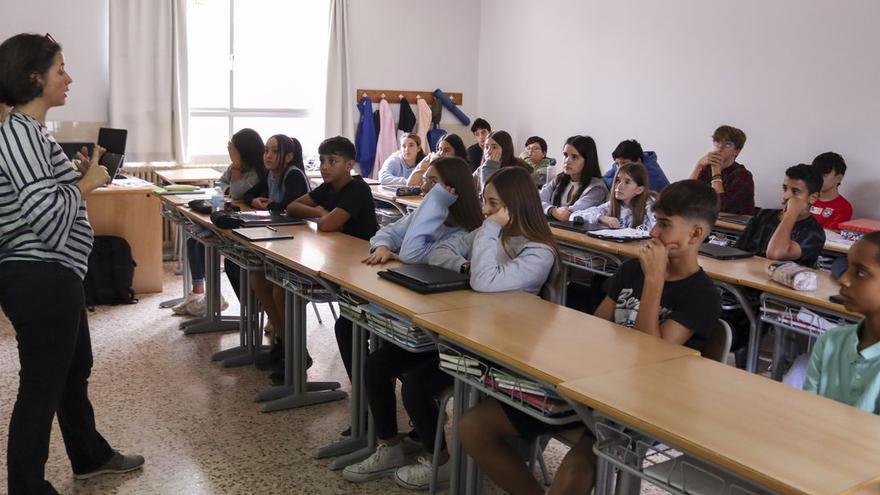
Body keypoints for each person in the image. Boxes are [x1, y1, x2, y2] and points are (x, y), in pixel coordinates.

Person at [456, 180, 722, 495]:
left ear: (695, 234)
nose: (653, 233)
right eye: (656, 222)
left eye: (664, 225)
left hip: (637, 410)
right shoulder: (632, 270)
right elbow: (596, 327)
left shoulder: (702, 294)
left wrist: (654, 282)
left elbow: (653, 355)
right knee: (473, 427)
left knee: (573, 476)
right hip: (591, 388)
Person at [0, 32, 144, 494]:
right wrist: (92, 181)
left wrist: (79, 174)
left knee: (72, 369)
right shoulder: (20, 133)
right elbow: (45, 215)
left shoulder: (33, 133)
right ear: (32, 77)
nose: (68, 78)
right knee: (41, 385)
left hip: (54, 274)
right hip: (38, 276)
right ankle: (27, 486)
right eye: (60, 69)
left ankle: (89, 456)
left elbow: (42, 196)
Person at [341, 157, 483, 489]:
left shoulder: (468, 232)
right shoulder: (426, 212)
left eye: (435, 184)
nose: (426, 188)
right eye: (428, 182)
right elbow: (387, 231)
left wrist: (431, 206)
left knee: (417, 384)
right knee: (376, 364)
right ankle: (389, 447)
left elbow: (417, 253)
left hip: (455, 337)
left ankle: (441, 461)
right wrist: (386, 245)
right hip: (421, 325)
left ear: (453, 191)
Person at [288, 136, 378, 399]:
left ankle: (366, 394)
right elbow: (293, 206)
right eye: (323, 160)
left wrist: (324, 216)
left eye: (332, 161)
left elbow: (329, 226)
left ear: (349, 164)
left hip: (362, 266)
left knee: (348, 325)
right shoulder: (328, 187)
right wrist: (320, 212)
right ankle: (288, 358)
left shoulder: (357, 189)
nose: (325, 167)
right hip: (340, 260)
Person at [171, 128, 265, 316]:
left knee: (208, 246)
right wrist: (230, 184)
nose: (229, 149)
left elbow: (236, 193)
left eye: (233, 147)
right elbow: (220, 186)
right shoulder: (234, 168)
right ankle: (201, 292)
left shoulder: (256, 171)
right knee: (195, 240)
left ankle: (227, 301)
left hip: (245, 226)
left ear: (242, 150)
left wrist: (236, 168)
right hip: (226, 216)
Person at [240, 135, 312, 383]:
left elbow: (289, 207)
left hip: (299, 244)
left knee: (281, 290)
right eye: (265, 151)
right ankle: (284, 343)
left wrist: (270, 204)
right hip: (278, 240)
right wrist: (257, 200)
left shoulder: (294, 175)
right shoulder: (271, 174)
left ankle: (297, 353)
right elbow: (250, 194)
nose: (268, 156)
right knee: (257, 277)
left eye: (274, 151)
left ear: (289, 156)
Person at [429, 166, 560, 301]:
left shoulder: (540, 253)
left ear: (516, 205)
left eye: (493, 203)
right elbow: (437, 253)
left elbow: (482, 281)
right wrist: (466, 267)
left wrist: (491, 227)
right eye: (484, 200)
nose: (484, 210)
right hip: (477, 309)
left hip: (510, 318)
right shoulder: (492, 233)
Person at [804, 232, 880, 414]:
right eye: (847, 267)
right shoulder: (830, 342)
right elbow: (807, 411)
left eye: (860, 273)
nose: (843, 279)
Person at [734, 164, 826, 266]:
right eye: (785, 189)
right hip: (745, 277)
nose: (785, 196)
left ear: (813, 197)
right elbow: (736, 251)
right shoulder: (763, 215)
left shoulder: (814, 233)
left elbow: (775, 253)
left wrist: (792, 212)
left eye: (795, 192)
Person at [539, 135, 608, 222]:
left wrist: (549, 209)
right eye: (565, 155)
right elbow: (536, 201)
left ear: (588, 160)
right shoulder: (559, 179)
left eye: (574, 157)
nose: (567, 160)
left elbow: (569, 214)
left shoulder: (597, 188)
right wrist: (552, 210)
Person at [689, 125, 754, 215]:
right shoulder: (707, 169)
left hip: (734, 226)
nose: (720, 148)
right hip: (706, 220)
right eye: (717, 142)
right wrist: (698, 165)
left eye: (727, 144)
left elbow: (721, 207)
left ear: (737, 151)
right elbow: (685, 195)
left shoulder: (744, 176)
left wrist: (716, 171)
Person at [571, 161, 656, 230]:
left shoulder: (651, 207)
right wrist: (601, 217)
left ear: (639, 190)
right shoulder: (612, 204)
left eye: (627, 182)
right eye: (618, 180)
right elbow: (574, 216)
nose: (618, 186)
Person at [602, 139, 669, 192]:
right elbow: (604, 179)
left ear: (638, 161)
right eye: (617, 164)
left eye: (624, 163)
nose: (620, 168)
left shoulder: (653, 178)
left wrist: (618, 183)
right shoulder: (620, 164)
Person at [809, 151, 852, 230]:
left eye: (823, 175)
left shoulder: (843, 208)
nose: (818, 179)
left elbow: (829, 238)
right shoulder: (806, 198)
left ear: (839, 178)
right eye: (816, 174)